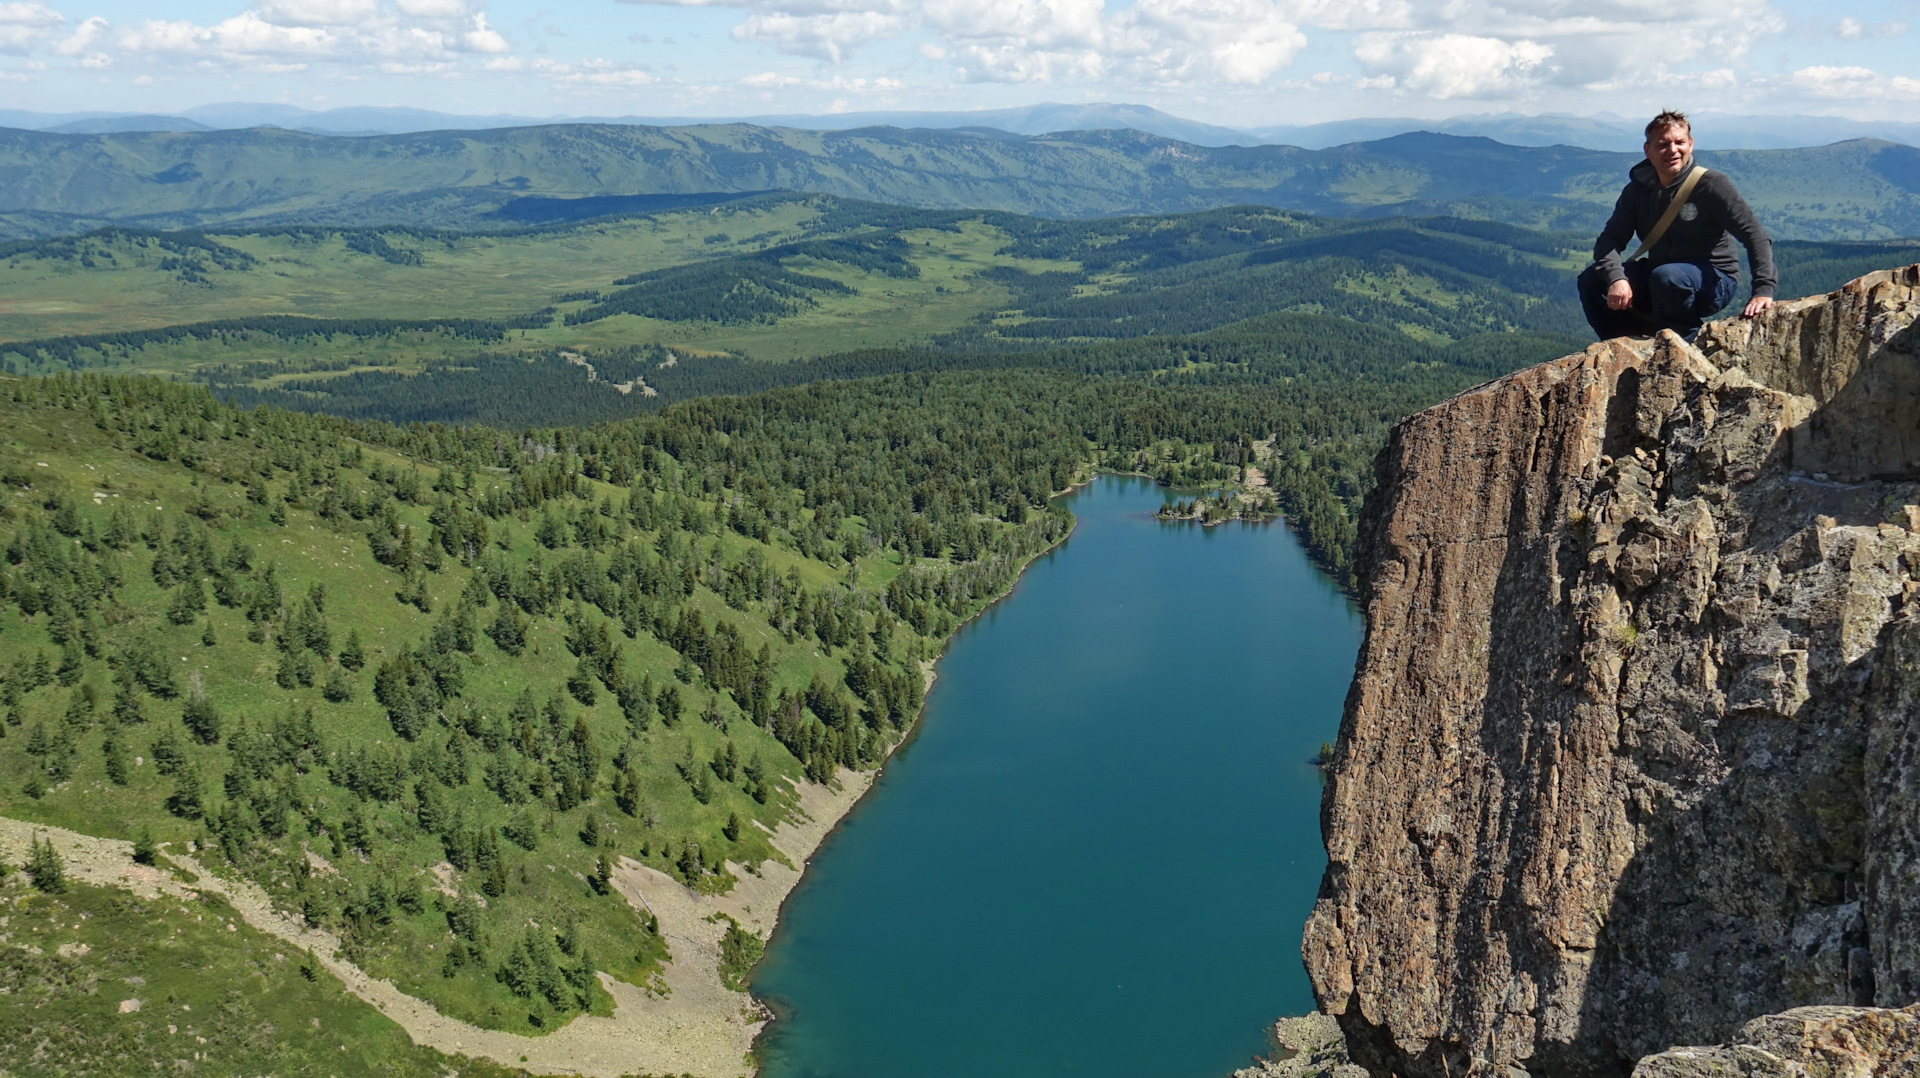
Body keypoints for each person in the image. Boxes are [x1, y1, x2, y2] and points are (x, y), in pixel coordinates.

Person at [1578, 110, 1775, 342]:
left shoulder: (1711, 185)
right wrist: (1616, 279)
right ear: (1647, 150)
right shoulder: (1637, 191)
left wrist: (1763, 289)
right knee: (1591, 279)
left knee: (1667, 277)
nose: (1673, 150)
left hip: (1714, 280)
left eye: (1679, 142)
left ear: (1690, 145)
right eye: (1663, 144)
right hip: (1662, 276)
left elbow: (1755, 236)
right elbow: (1609, 240)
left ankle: (1686, 342)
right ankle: (1624, 345)